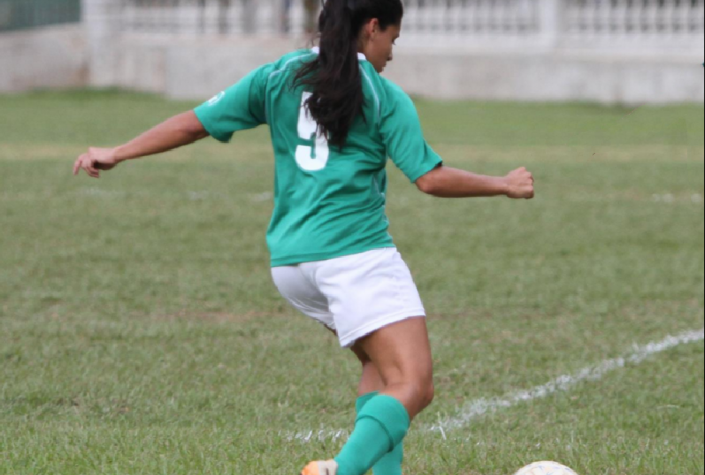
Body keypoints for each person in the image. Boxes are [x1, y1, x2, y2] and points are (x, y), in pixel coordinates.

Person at [73, 0, 535, 473]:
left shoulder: (280, 75)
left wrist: (120, 151)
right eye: (392, 40)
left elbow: (195, 124)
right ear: (372, 27)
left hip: (292, 264)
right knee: (415, 384)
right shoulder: (380, 93)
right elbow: (429, 178)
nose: (392, 53)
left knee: (380, 368)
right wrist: (503, 184)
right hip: (355, 256)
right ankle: (342, 469)